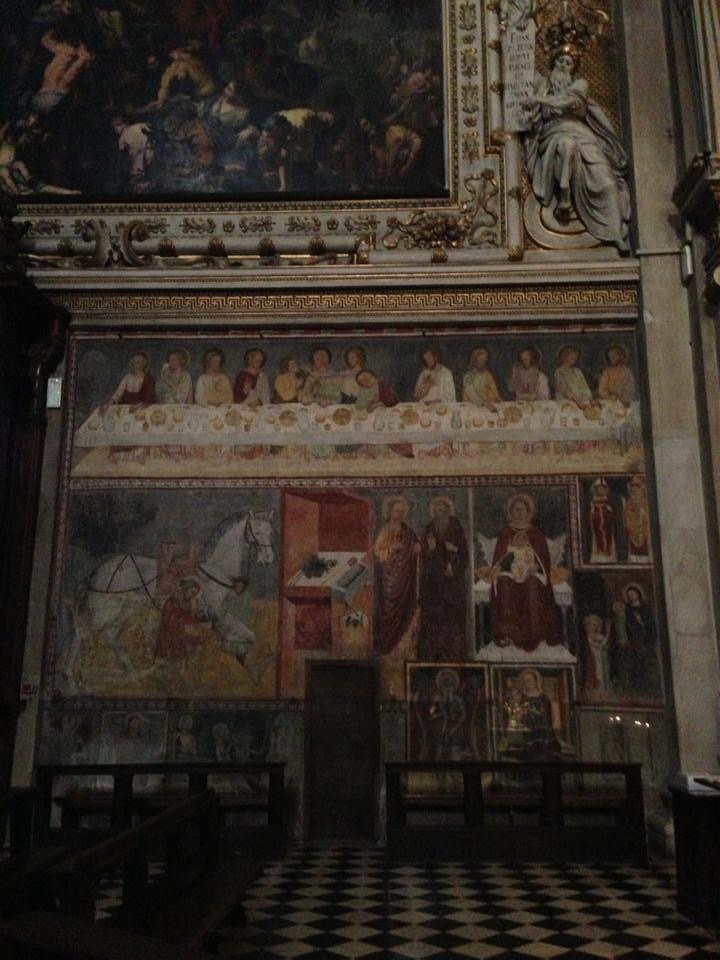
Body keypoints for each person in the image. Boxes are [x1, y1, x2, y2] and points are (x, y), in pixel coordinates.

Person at [522, 38, 630, 251]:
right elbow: (520, 72)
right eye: (560, 60)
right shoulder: (543, 86)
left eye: (568, 62)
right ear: (553, 63)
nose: (563, 65)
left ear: (574, 67)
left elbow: (569, 101)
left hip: (583, 136)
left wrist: (539, 100)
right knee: (566, 145)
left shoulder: (580, 86)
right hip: (553, 134)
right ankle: (564, 192)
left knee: (607, 184)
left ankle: (615, 232)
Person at [489, 493, 563, 651]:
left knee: (533, 584)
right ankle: (508, 632)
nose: (519, 513)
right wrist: (504, 567)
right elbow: (500, 560)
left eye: (522, 509)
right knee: (503, 583)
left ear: (528, 512)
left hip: (531, 574)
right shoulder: (505, 533)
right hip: (511, 574)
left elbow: (542, 561)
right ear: (511, 512)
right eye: (515, 510)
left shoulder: (536, 534)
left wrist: (534, 568)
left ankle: (534, 632)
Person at [419, 497, 469, 660]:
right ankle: (434, 654)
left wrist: (453, 565)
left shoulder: (455, 526)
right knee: (434, 619)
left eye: (442, 510)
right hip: (434, 583)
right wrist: (430, 549)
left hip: (453, 583)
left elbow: (463, 553)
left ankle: (454, 654)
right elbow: (424, 554)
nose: (439, 513)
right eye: (436, 510)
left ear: (448, 511)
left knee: (452, 619)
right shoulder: (430, 528)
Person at [373, 496, 420, 655]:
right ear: (389, 512)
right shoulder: (385, 530)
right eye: (396, 510)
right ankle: (387, 647)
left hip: (406, 579)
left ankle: (403, 648)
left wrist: (417, 549)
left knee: (406, 610)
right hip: (389, 580)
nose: (399, 514)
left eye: (402, 511)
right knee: (387, 611)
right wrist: (393, 548)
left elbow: (416, 549)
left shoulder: (409, 532)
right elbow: (378, 553)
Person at [516, 668, 562, 759]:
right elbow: (520, 716)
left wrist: (537, 713)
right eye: (526, 681)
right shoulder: (523, 698)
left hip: (543, 732)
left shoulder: (544, 698)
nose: (528, 683)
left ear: (536, 681)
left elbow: (548, 717)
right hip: (529, 732)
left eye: (530, 680)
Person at [462, 346, 502, 410]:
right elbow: (472, 395)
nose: (483, 362)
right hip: (472, 407)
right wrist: (484, 404)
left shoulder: (488, 374)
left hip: (488, 406)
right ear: (475, 360)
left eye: (485, 360)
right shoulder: (468, 376)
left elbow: (494, 391)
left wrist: (499, 400)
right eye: (481, 360)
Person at [588, 477, 617, 563]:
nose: (601, 490)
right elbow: (590, 519)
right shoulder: (591, 503)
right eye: (599, 488)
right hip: (596, 533)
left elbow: (613, 519)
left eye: (602, 488)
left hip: (608, 532)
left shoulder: (609, 503)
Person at [623, 475, 651, 561]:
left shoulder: (646, 502)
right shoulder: (628, 504)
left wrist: (642, 515)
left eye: (637, 486)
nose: (634, 489)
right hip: (632, 534)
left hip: (645, 533)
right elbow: (626, 518)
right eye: (632, 486)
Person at [582, 613, 610, 695]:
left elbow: (604, 644)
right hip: (594, 658)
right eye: (593, 624)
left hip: (601, 658)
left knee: (603, 673)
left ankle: (603, 691)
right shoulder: (589, 636)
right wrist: (608, 633)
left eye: (596, 625)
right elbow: (600, 646)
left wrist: (607, 635)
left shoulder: (599, 636)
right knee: (597, 674)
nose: (594, 627)